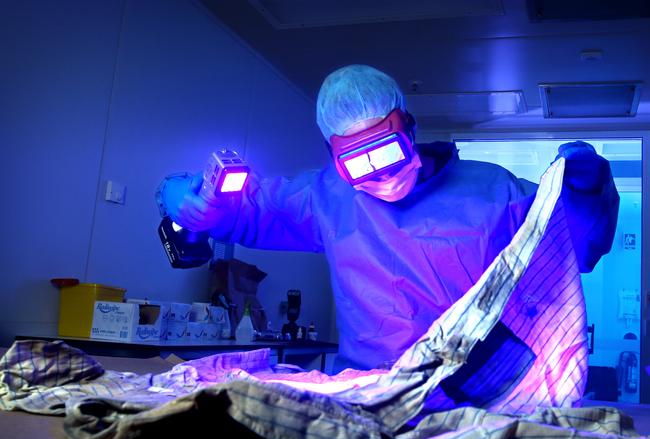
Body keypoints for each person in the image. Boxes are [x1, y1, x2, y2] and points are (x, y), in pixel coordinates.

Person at [157, 64, 619, 372]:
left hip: (471, 393)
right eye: (359, 163)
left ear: (411, 130)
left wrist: (583, 189)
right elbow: (241, 210)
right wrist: (184, 196)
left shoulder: (495, 191)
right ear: (334, 159)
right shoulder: (328, 197)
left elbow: (578, 246)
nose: (380, 173)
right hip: (369, 389)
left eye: (387, 151)